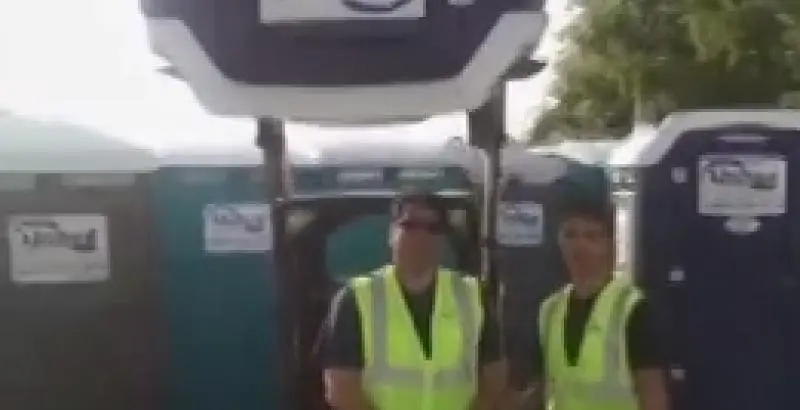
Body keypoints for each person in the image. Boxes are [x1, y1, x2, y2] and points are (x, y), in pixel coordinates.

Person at [318, 189, 506, 410]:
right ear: (391, 233)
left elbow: (495, 378)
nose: (421, 236)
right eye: (410, 225)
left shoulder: (473, 294)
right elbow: (340, 389)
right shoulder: (355, 298)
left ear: (442, 238)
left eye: (433, 229)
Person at [508, 200, 669, 410]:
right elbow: (548, 387)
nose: (579, 246)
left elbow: (652, 396)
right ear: (559, 242)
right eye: (570, 235)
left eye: (591, 236)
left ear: (610, 245)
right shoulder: (550, 310)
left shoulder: (633, 310)